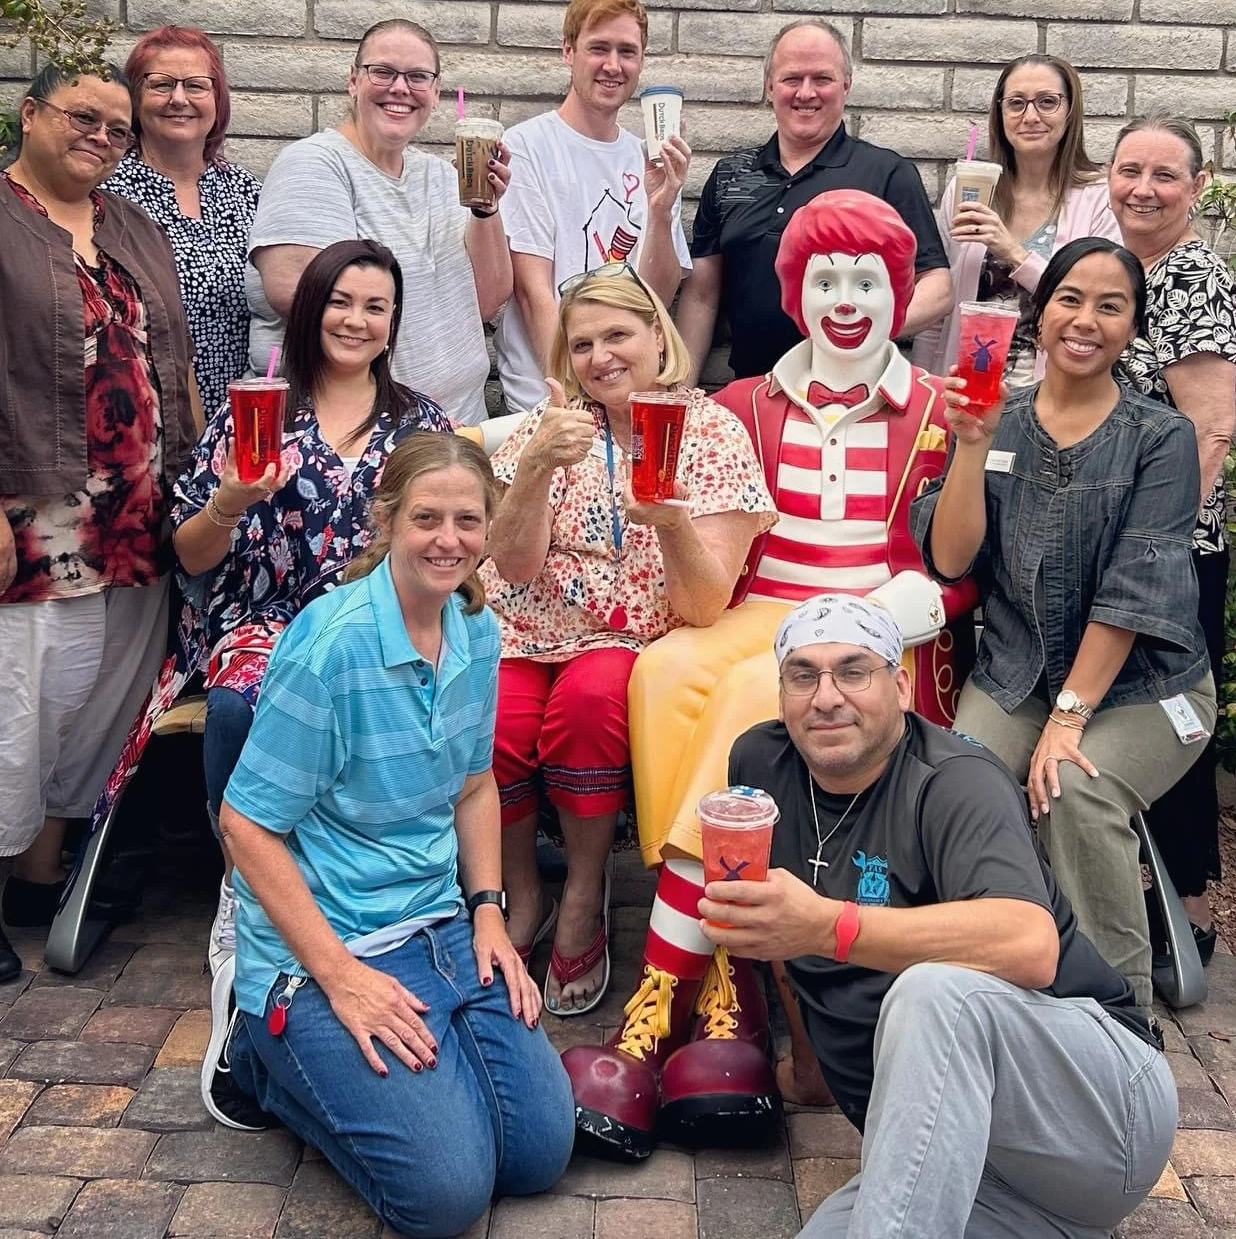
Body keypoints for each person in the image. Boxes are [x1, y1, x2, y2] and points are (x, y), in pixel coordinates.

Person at [562, 191, 978, 1161]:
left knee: (764, 700)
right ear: (795, 295)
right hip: (757, 608)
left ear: (895, 295)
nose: (845, 298)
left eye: (865, 279)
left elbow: (962, 570)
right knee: (662, 675)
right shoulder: (742, 404)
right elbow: (715, 544)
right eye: (825, 279)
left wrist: (896, 614)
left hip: (870, 623)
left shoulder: (932, 412)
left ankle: (673, 986)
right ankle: (724, 972)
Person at [698, 594, 1177, 1239]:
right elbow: (785, 929)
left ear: (900, 686)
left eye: (854, 671)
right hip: (967, 1168)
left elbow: (1030, 944)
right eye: (803, 675)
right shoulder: (762, 765)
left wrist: (828, 926)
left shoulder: (954, 782)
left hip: (1098, 1122)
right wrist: (810, 1071)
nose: (827, 696)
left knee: (933, 991)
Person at [203, 432, 574, 1238]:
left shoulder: (476, 632)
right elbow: (246, 825)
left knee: (541, 1153)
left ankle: (428, 1068)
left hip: (440, 922)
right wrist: (338, 975)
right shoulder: (331, 647)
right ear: (386, 520)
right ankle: (257, 1050)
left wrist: (487, 912)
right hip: (329, 943)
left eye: (469, 521)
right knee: (443, 1200)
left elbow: (476, 784)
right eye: (428, 518)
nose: (450, 540)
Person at [99, 238, 454, 973]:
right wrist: (229, 501)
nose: (355, 320)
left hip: (372, 625)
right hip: (263, 622)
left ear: (393, 322)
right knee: (236, 706)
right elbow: (191, 553)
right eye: (340, 301)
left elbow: (447, 544)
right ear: (310, 309)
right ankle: (245, 881)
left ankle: (357, 880)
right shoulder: (251, 410)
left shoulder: (420, 425)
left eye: (375, 307)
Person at [914, 236, 1217, 1011]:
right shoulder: (994, 417)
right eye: (1070, 299)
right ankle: (983, 984)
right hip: (1017, 674)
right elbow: (952, 562)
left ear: (1134, 328)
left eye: (1111, 306)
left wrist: (1069, 718)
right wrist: (973, 451)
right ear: (1039, 314)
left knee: (1073, 792)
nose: (1086, 320)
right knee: (959, 784)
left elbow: (1133, 593)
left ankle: (1117, 1016)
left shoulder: (1162, 437)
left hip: (1147, 690)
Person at [482, 261, 775, 1017]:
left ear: (657, 335)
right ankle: (523, 896)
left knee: (588, 708)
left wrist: (672, 522)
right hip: (522, 623)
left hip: (627, 633)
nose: (601, 357)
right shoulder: (548, 428)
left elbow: (706, 605)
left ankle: (582, 894)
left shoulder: (709, 433)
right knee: (497, 718)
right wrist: (538, 466)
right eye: (581, 345)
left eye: (618, 334)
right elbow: (510, 563)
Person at [0, 64, 196, 981]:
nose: (103, 137)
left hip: (138, 514)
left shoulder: (128, 224)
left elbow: (174, 358)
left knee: (97, 703)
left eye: (118, 129)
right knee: (19, 700)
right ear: (31, 114)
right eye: (85, 117)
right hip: (35, 512)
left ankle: (40, 875)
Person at [1109, 114, 1236, 966]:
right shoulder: (1124, 268)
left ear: (1196, 188)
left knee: (1171, 726)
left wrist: (1149, 551)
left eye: (1166, 175)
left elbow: (1208, 432)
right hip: (1116, 542)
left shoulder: (1195, 275)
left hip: (1171, 552)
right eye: (1130, 171)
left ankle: (1185, 916)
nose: (1145, 189)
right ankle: (1133, 898)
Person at [244, 18, 511, 424]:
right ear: (353, 81)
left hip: (456, 428)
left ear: (436, 93)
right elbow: (294, 291)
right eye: (382, 72)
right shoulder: (314, 164)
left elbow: (487, 300)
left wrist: (485, 209)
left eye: (418, 77)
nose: (400, 88)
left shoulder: (444, 178)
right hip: (358, 434)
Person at [675, 19, 950, 382]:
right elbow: (701, 297)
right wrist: (680, 392)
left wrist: (863, 330)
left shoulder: (886, 173)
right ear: (769, 87)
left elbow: (937, 285)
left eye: (822, 79)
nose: (806, 93)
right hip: (753, 396)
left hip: (859, 395)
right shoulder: (732, 174)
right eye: (792, 79)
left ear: (846, 86)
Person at [495, 0, 691, 413]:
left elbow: (654, 297)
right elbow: (533, 292)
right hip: (550, 401)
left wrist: (659, 211)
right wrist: (577, 398)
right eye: (598, 48)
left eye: (628, 51)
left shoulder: (649, 155)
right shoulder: (528, 146)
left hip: (628, 404)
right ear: (568, 51)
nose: (613, 65)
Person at [911, 52, 1120, 377]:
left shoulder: (1098, 197)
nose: (1031, 116)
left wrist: (1013, 252)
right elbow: (938, 310)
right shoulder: (969, 190)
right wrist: (925, 389)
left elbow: (1094, 305)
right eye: (1016, 103)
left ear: (1069, 111)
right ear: (1000, 112)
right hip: (965, 394)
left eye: (1047, 102)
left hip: (1049, 398)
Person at [104, 25, 261, 418]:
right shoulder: (106, 194)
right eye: (160, 84)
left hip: (242, 423)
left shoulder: (250, 193)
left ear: (217, 98)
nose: (179, 99)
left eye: (196, 85)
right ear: (134, 97)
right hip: (142, 419)